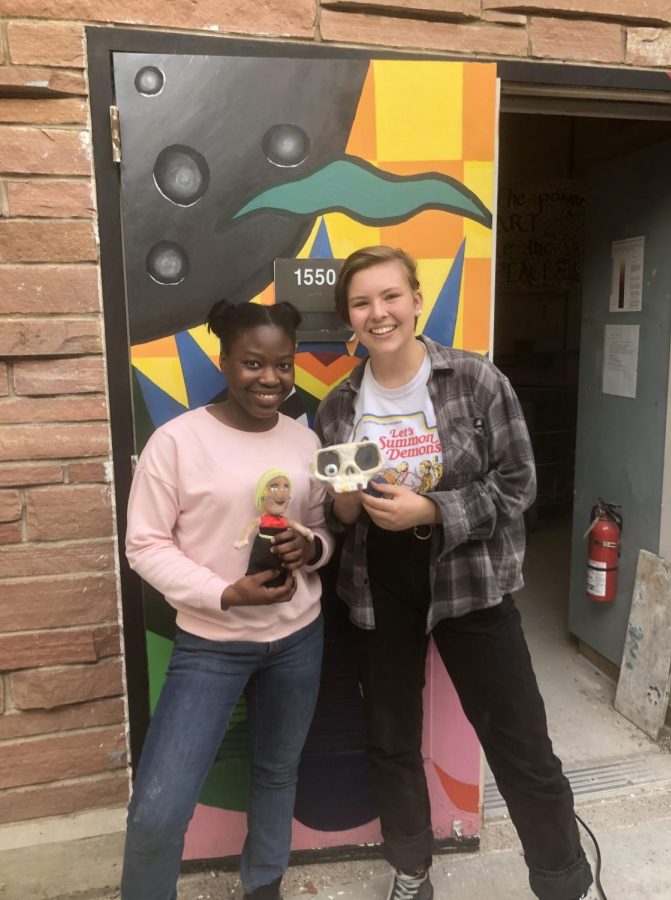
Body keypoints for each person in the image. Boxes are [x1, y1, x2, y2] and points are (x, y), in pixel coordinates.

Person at [314, 246, 594, 900]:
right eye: (361, 303)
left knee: (520, 741)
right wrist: (348, 503)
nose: (377, 313)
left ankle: (561, 881)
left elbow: (520, 483)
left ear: (415, 299)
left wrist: (433, 509)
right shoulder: (338, 404)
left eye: (389, 296)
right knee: (389, 738)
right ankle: (411, 870)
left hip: (469, 574)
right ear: (347, 318)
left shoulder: (473, 379)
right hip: (378, 581)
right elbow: (339, 510)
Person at [122, 299, 333, 900]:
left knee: (275, 772)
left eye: (283, 365)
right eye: (252, 363)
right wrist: (223, 592)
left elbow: (323, 529)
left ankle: (263, 885)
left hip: (298, 638)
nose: (270, 379)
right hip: (211, 646)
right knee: (159, 809)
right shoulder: (177, 442)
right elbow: (145, 545)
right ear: (224, 361)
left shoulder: (303, 439)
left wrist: (308, 547)